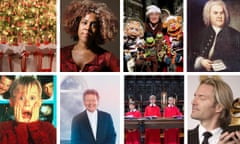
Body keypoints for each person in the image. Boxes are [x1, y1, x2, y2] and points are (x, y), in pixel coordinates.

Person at [61, 0, 119, 72]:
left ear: (99, 30)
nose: (88, 28)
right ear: (77, 25)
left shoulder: (107, 58)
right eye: (84, 23)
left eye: (93, 25)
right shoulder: (62, 54)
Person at [0, 76, 56, 144]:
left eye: (32, 98)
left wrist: (34, 126)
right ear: (12, 102)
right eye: (21, 98)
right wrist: (20, 127)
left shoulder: (49, 129)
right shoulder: (2, 129)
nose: (27, 103)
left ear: (39, 102)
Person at [188, 77, 240, 144]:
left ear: (219, 107)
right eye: (195, 96)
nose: (193, 102)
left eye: (201, 97)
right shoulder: (186, 137)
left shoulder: (234, 139)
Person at [193, 0, 240, 72]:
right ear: (208, 15)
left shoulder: (236, 35)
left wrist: (226, 65)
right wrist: (201, 61)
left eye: (222, 13)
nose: (219, 16)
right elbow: (191, 54)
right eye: (215, 13)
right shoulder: (201, 34)